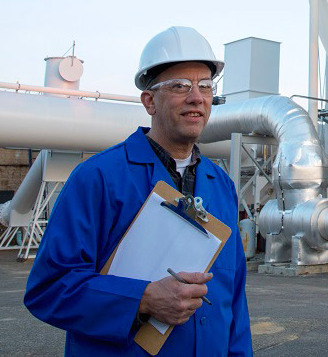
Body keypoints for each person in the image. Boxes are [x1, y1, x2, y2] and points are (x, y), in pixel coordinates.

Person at [25, 26, 253, 356]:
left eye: (205, 87)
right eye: (180, 86)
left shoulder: (222, 186)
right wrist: (143, 299)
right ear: (149, 101)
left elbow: (234, 300)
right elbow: (48, 289)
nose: (196, 97)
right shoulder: (98, 178)